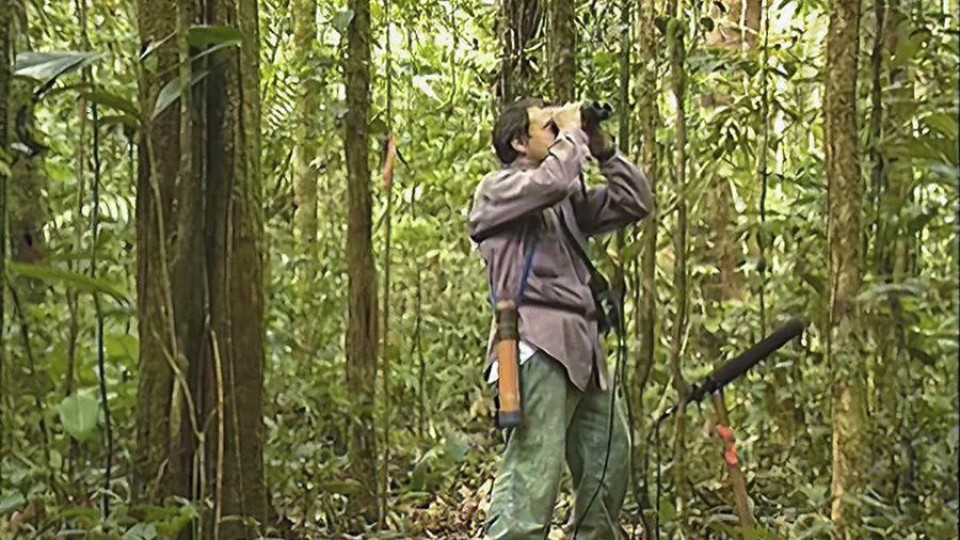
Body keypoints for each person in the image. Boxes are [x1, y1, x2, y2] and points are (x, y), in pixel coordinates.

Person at [467, 98, 655, 539]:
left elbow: (636, 201)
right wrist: (572, 134)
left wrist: (602, 148)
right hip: (537, 343)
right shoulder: (497, 191)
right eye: (547, 127)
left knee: (608, 461)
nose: (558, 133)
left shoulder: (562, 200)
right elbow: (552, 180)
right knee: (534, 470)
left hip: (584, 348)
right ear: (518, 142)